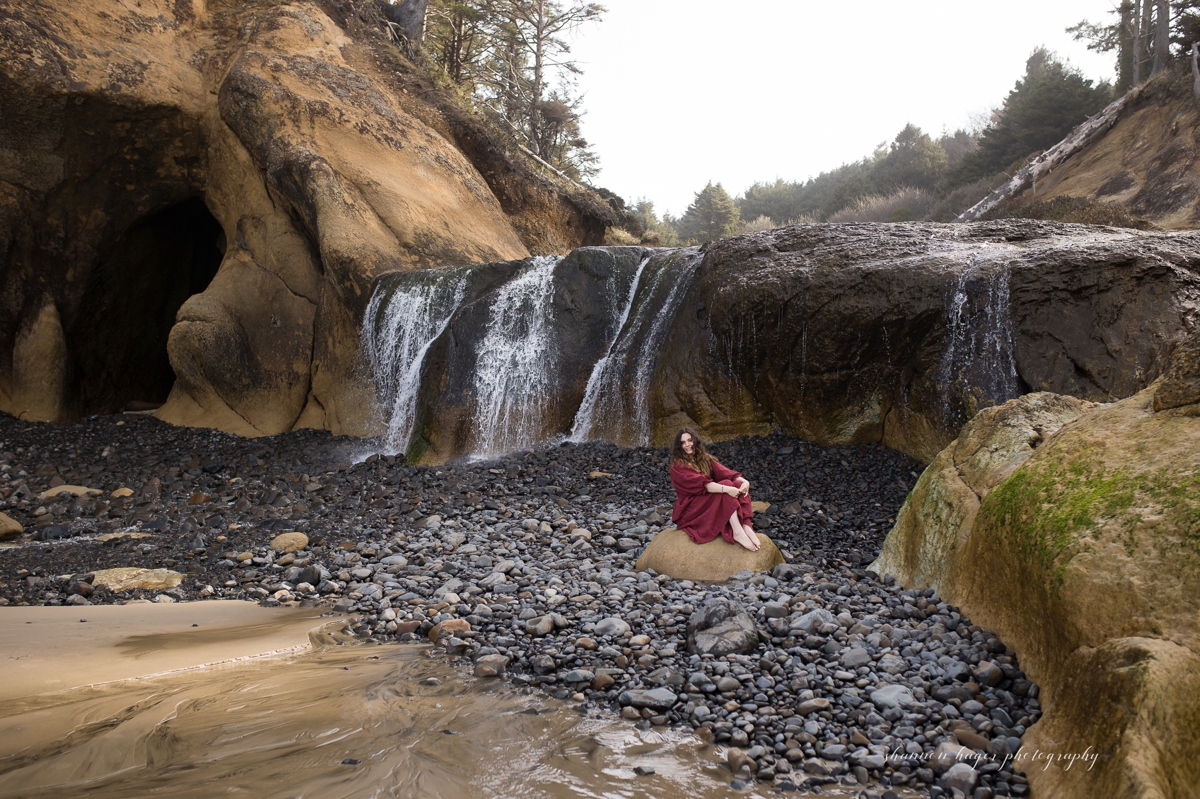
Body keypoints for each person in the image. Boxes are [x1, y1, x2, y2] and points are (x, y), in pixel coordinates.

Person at [669, 427, 761, 552]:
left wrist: (745, 482)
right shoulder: (678, 466)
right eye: (683, 443)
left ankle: (746, 526)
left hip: (704, 500)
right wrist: (727, 489)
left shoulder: (703, 458)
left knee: (737, 486)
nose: (687, 445)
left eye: (689, 440)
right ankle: (737, 531)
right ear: (679, 446)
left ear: (695, 441)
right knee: (726, 487)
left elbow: (726, 473)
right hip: (690, 507)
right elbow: (704, 484)